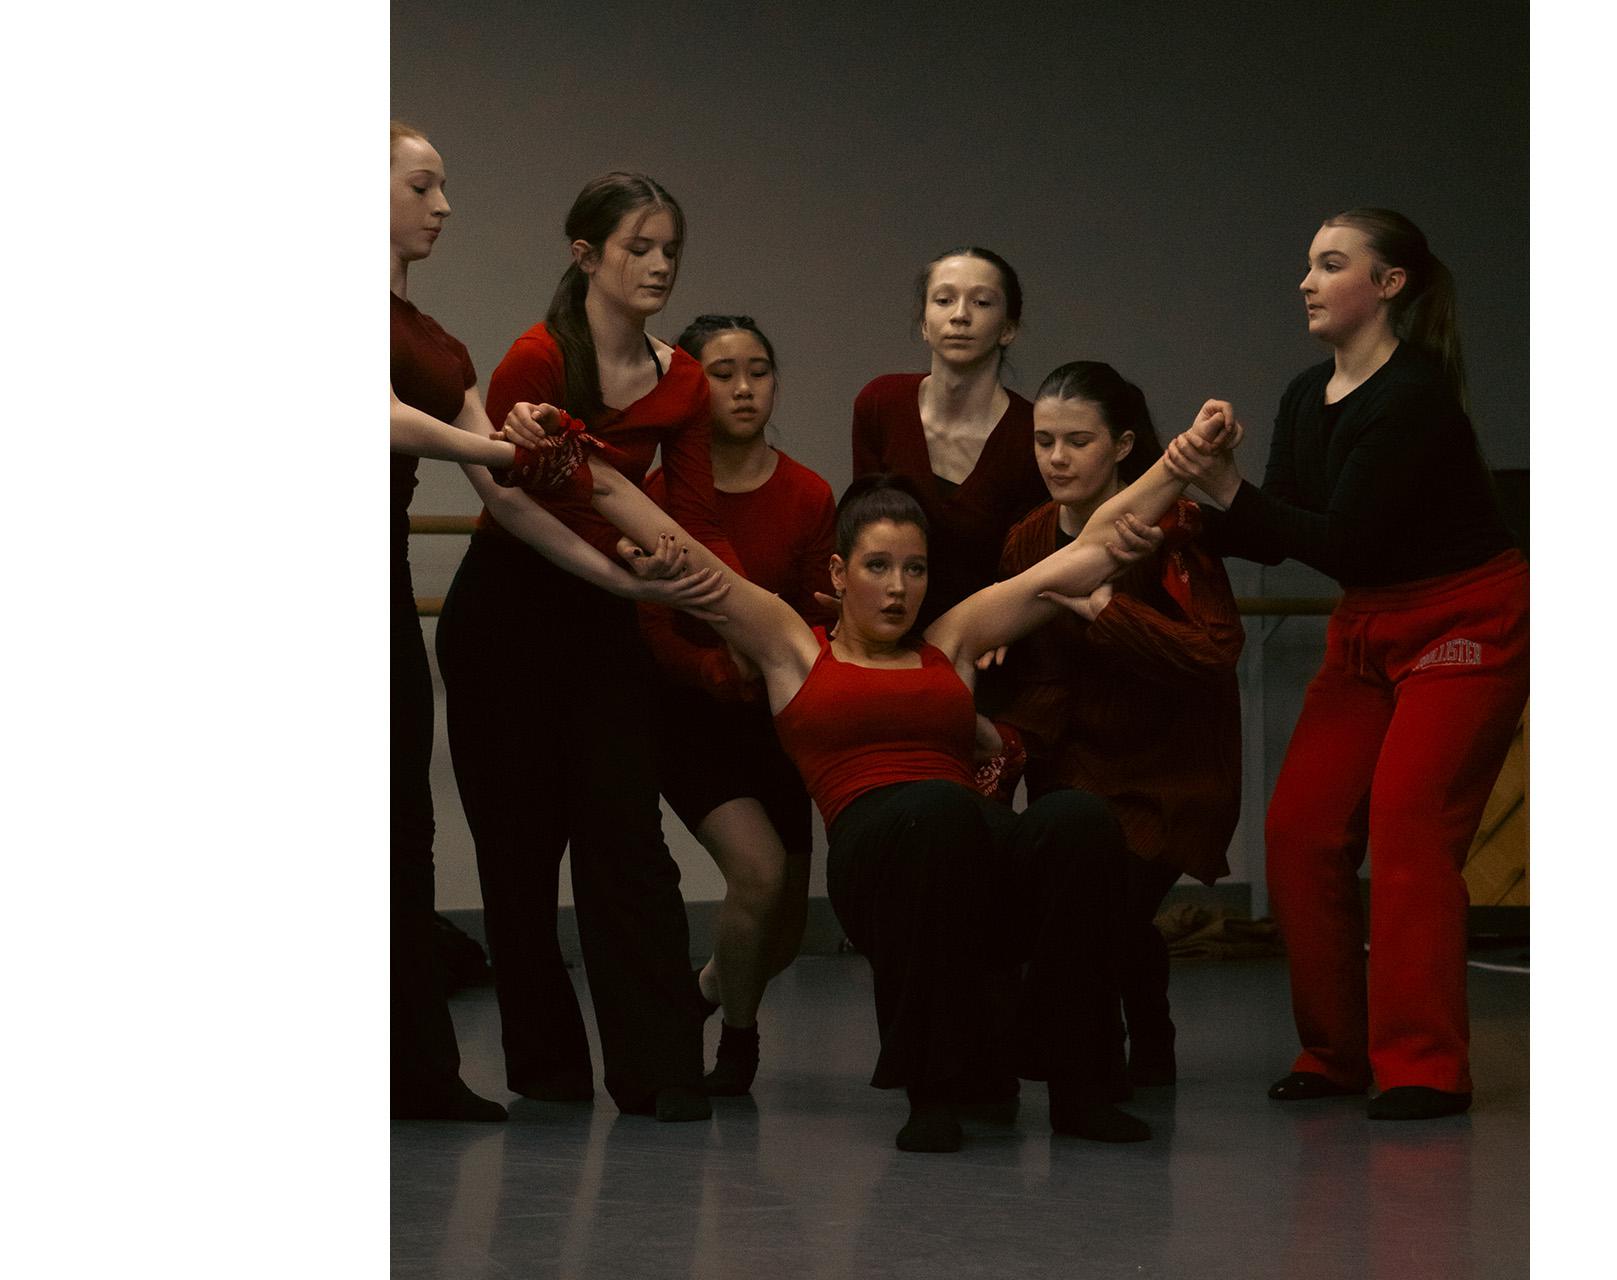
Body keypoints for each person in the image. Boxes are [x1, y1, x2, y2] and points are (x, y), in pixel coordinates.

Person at [496, 394, 1235, 1152]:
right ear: (841, 574)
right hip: (878, 852)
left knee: (1076, 820)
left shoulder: (952, 638)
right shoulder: (793, 647)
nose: (898, 587)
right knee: (938, 816)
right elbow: (678, 545)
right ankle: (931, 1092)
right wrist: (573, 459)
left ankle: (1081, 1085)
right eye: (878, 567)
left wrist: (1181, 462)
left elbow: (1097, 547)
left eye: (914, 569)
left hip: (967, 840)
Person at [1162, 208, 1527, 1121]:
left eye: (1330, 265)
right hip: (1371, 624)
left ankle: (1424, 1066)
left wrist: (1230, 491)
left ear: (1389, 284)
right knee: (1300, 830)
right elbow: (1282, 534)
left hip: (1467, 618)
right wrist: (1210, 493)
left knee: (1410, 832)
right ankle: (1334, 1050)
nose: (1307, 282)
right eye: (1308, 266)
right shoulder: (1302, 394)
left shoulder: (1415, 397)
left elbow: (1348, 541)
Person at [432, 170, 742, 1122]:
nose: (658, 266)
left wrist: (682, 590)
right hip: (509, 613)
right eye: (637, 248)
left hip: (606, 621)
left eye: (669, 250)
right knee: (518, 855)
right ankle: (548, 1067)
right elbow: (509, 496)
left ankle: (660, 1070)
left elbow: (681, 516)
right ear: (586, 256)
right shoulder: (536, 356)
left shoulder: (681, 377)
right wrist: (615, 568)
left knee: (627, 844)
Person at [990, 361, 1245, 1090]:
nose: (1057, 459)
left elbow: (1216, 653)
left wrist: (1107, 611)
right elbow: (1029, 666)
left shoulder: (1176, 530)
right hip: (1072, 767)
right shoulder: (1028, 538)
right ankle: (1137, 1044)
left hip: (1169, 771)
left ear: (1125, 446)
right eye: (1043, 442)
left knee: (1107, 910)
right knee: (1101, 912)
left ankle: (1076, 1063)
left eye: (1077, 441)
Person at [635, 314, 837, 1096]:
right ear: (691, 386)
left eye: (759, 369)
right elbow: (650, 618)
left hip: (778, 717)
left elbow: (822, 607)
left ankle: (701, 996)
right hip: (692, 714)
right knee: (756, 877)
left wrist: (783, 672)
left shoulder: (808, 491)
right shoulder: (662, 493)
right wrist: (715, 669)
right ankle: (739, 1048)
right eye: (723, 372)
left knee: (782, 928)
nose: (745, 387)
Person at [388, 120, 521, 1122]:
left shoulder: (434, 339)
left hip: (381, 581)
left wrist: (634, 564)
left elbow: (499, 469)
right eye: (422, 185)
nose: (443, 206)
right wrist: (516, 460)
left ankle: (415, 1069)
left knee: (403, 826)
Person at [849, 246, 1048, 625]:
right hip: (886, 628)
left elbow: (1028, 565)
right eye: (943, 300)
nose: (960, 316)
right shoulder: (880, 403)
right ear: (924, 324)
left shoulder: (1032, 432)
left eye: (982, 302)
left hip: (992, 637)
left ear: (1008, 328)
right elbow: (865, 529)